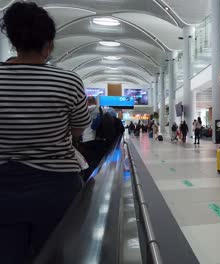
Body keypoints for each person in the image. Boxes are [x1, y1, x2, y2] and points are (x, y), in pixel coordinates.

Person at [0, 2, 90, 262]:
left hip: (3, 186)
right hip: (56, 186)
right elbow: (78, 128)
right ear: (48, 44)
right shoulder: (68, 81)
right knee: (55, 254)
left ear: (13, 40)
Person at [79, 96, 107, 180]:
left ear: (87, 102)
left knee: (86, 161)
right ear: (95, 102)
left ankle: (87, 179)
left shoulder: (82, 111)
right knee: (96, 160)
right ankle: (96, 177)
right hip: (97, 139)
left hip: (84, 139)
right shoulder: (100, 110)